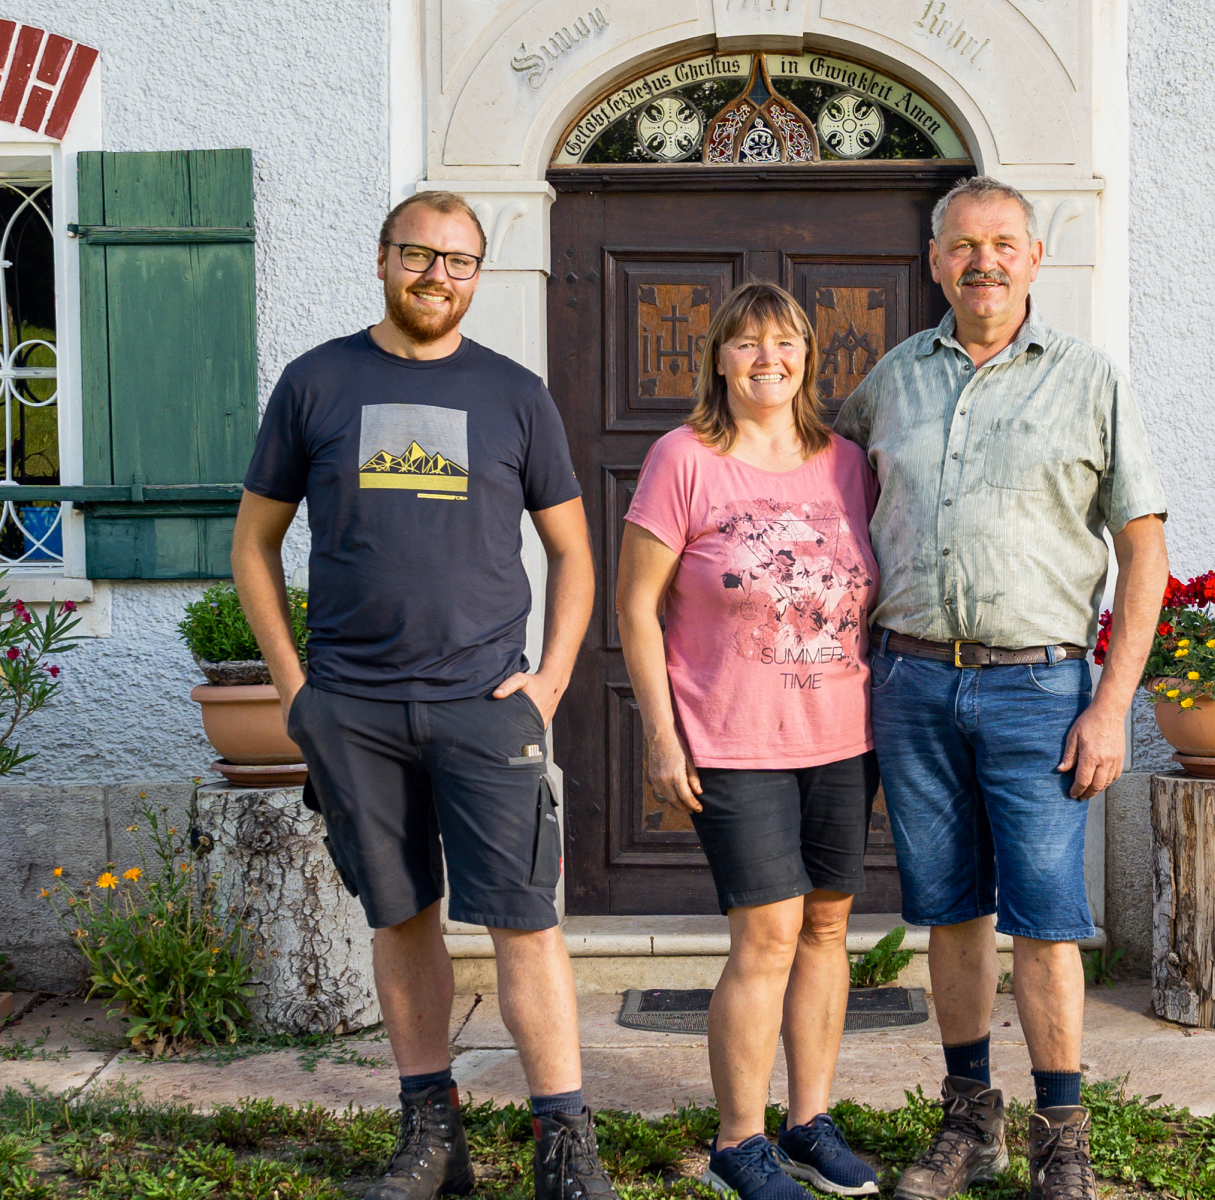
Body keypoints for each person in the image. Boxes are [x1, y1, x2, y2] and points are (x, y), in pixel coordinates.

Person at [232, 191, 615, 1200]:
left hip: (484, 706)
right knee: (401, 918)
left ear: (477, 275)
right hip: (353, 709)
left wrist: (550, 681)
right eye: (419, 255)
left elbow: (575, 552)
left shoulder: (515, 394)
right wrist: (296, 692)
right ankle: (432, 1137)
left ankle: (564, 1147)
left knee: (525, 921)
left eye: (459, 261)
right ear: (382, 259)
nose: (438, 276)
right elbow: (253, 545)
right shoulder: (316, 382)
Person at [832, 177, 1170, 1200]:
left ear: (1034, 258)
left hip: (1041, 692)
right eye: (964, 245)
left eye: (1004, 244)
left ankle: (1062, 1139)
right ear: (936, 261)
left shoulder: (1090, 380)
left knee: (1046, 917)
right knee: (950, 912)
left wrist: (1111, 705)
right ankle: (969, 1122)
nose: (984, 262)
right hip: (911, 683)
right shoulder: (888, 383)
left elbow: (1144, 555)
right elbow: (829, 523)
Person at [616, 282, 885, 1200]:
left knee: (827, 927)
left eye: (786, 342)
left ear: (808, 357)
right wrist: (661, 735)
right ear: (720, 359)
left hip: (840, 734)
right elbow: (636, 607)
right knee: (767, 933)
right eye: (747, 343)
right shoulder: (683, 458)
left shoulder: (848, 464)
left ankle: (808, 1122)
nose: (768, 359)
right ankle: (740, 1140)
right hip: (731, 741)